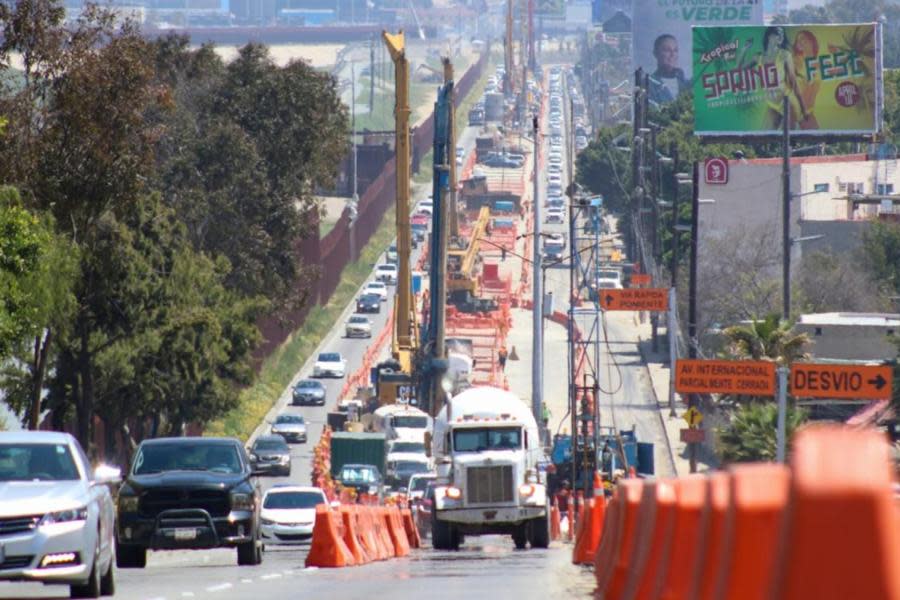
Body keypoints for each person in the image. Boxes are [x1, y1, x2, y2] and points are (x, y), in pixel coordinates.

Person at [648, 34, 690, 105]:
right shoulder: (650, 85)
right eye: (667, 50)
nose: (672, 54)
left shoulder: (686, 83)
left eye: (675, 50)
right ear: (656, 53)